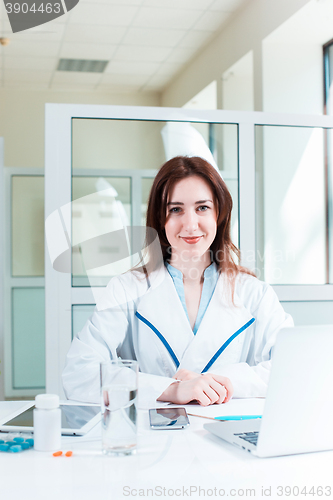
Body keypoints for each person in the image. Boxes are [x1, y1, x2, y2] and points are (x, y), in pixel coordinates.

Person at [62, 156, 293, 406]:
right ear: (160, 219)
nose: (190, 224)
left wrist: (216, 382)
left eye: (202, 208)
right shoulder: (126, 289)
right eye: (175, 209)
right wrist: (171, 389)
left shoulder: (254, 293)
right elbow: (80, 373)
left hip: (226, 434)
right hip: (152, 436)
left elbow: (294, 367)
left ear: (220, 213)